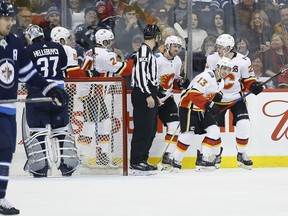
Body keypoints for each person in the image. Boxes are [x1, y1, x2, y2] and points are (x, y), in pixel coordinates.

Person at [0, 1, 67, 214]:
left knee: (5, 151)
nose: (9, 22)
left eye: (11, 18)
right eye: (5, 18)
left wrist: (49, 88)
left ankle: (0, 197)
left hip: (7, 109)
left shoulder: (16, 43)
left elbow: (27, 73)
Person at [206, 33, 264, 170]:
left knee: (244, 124)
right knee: (213, 129)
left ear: (228, 48)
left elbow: (248, 79)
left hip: (236, 98)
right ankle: (216, 154)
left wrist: (254, 86)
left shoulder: (243, 60)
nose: (218, 50)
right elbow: (208, 78)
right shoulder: (212, 58)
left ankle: (242, 153)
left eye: (221, 47)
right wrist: (213, 92)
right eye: (217, 47)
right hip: (218, 98)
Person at [169, 57, 234, 172]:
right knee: (188, 135)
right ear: (218, 67)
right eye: (224, 68)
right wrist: (209, 105)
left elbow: (208, 94)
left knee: (214, 130)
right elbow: (193, 94)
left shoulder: (221, 82)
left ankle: (204, 157)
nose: (226, 72)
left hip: (201, 108)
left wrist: (214, 98)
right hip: (188, 106)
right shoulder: (207, 76)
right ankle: (176, 160)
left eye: (228, 70)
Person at [78, 28, 132, 166]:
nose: (112, 43)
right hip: (95, 93)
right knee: (90, 125)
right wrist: (136, 61)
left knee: (104, 124)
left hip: (92, 92)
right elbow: (124, 69)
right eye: (110, 40)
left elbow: (85, 71)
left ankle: (102, 155)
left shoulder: (90, 52)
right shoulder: (107, 55)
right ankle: (81, 155)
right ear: (105, 41)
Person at [129, 24, 161, 175]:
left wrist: (155, 95)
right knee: (143, 128)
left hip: (149, 91)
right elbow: (141, 74)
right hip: (143, 92)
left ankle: (142, 158)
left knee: (151, 128)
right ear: (157, 37)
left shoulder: (147, 51)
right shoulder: (143, 50)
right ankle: (136, 161)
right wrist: (148, 94)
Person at [156, 35, 189, 169]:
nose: (177, 49)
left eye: (179, 47)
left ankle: (167, 155)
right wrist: (155, 91)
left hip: (168, 98)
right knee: (149, 130)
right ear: (167, 46)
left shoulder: (177, 61)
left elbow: (174, 80)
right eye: (174, 46)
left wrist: (180, 82)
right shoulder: (156, 60)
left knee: (175, 126)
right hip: (154, 98)